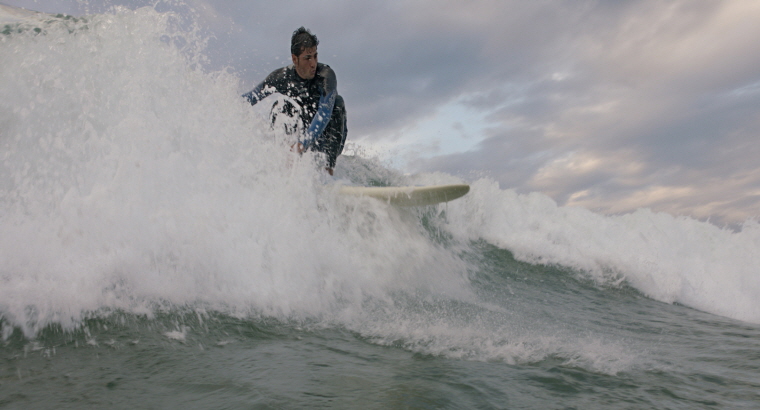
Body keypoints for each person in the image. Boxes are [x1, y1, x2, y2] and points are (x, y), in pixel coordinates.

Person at [242, 27, 347, 175]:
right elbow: (250, 98)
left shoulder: (325, 76)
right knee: (280, 106)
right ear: (294, 59)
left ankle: (329, 170)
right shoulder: (282, 77)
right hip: (301, 135)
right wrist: (223, 102)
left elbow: (324, 114)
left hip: (327, 139)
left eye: (315, 56)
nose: (313, 63)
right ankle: (281, 163)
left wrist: (302, 144)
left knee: (337, 102)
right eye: (307, 58)